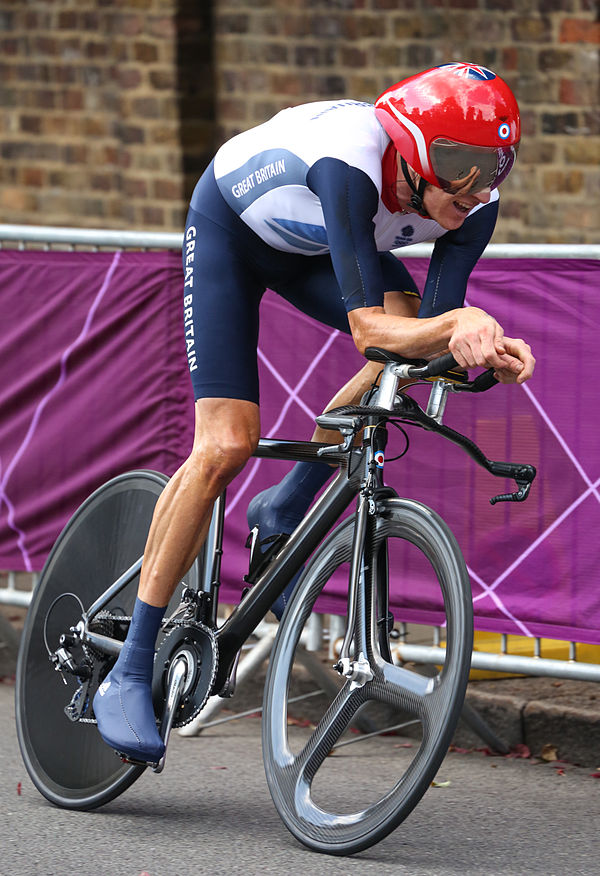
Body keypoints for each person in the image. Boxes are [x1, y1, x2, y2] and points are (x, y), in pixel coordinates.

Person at [93, 62, 535, 764]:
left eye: (497, 165)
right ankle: (129, 665)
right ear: (414, 148)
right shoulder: (350, 162)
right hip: (232, 235)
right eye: (460, 165)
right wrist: (457, 327)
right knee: (227, 443)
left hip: (310, 250)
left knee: (417, 348)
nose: (479, 186)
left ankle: (283, 508)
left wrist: (484, 349)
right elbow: (370, 330)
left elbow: (434, 334)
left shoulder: (474, 205)